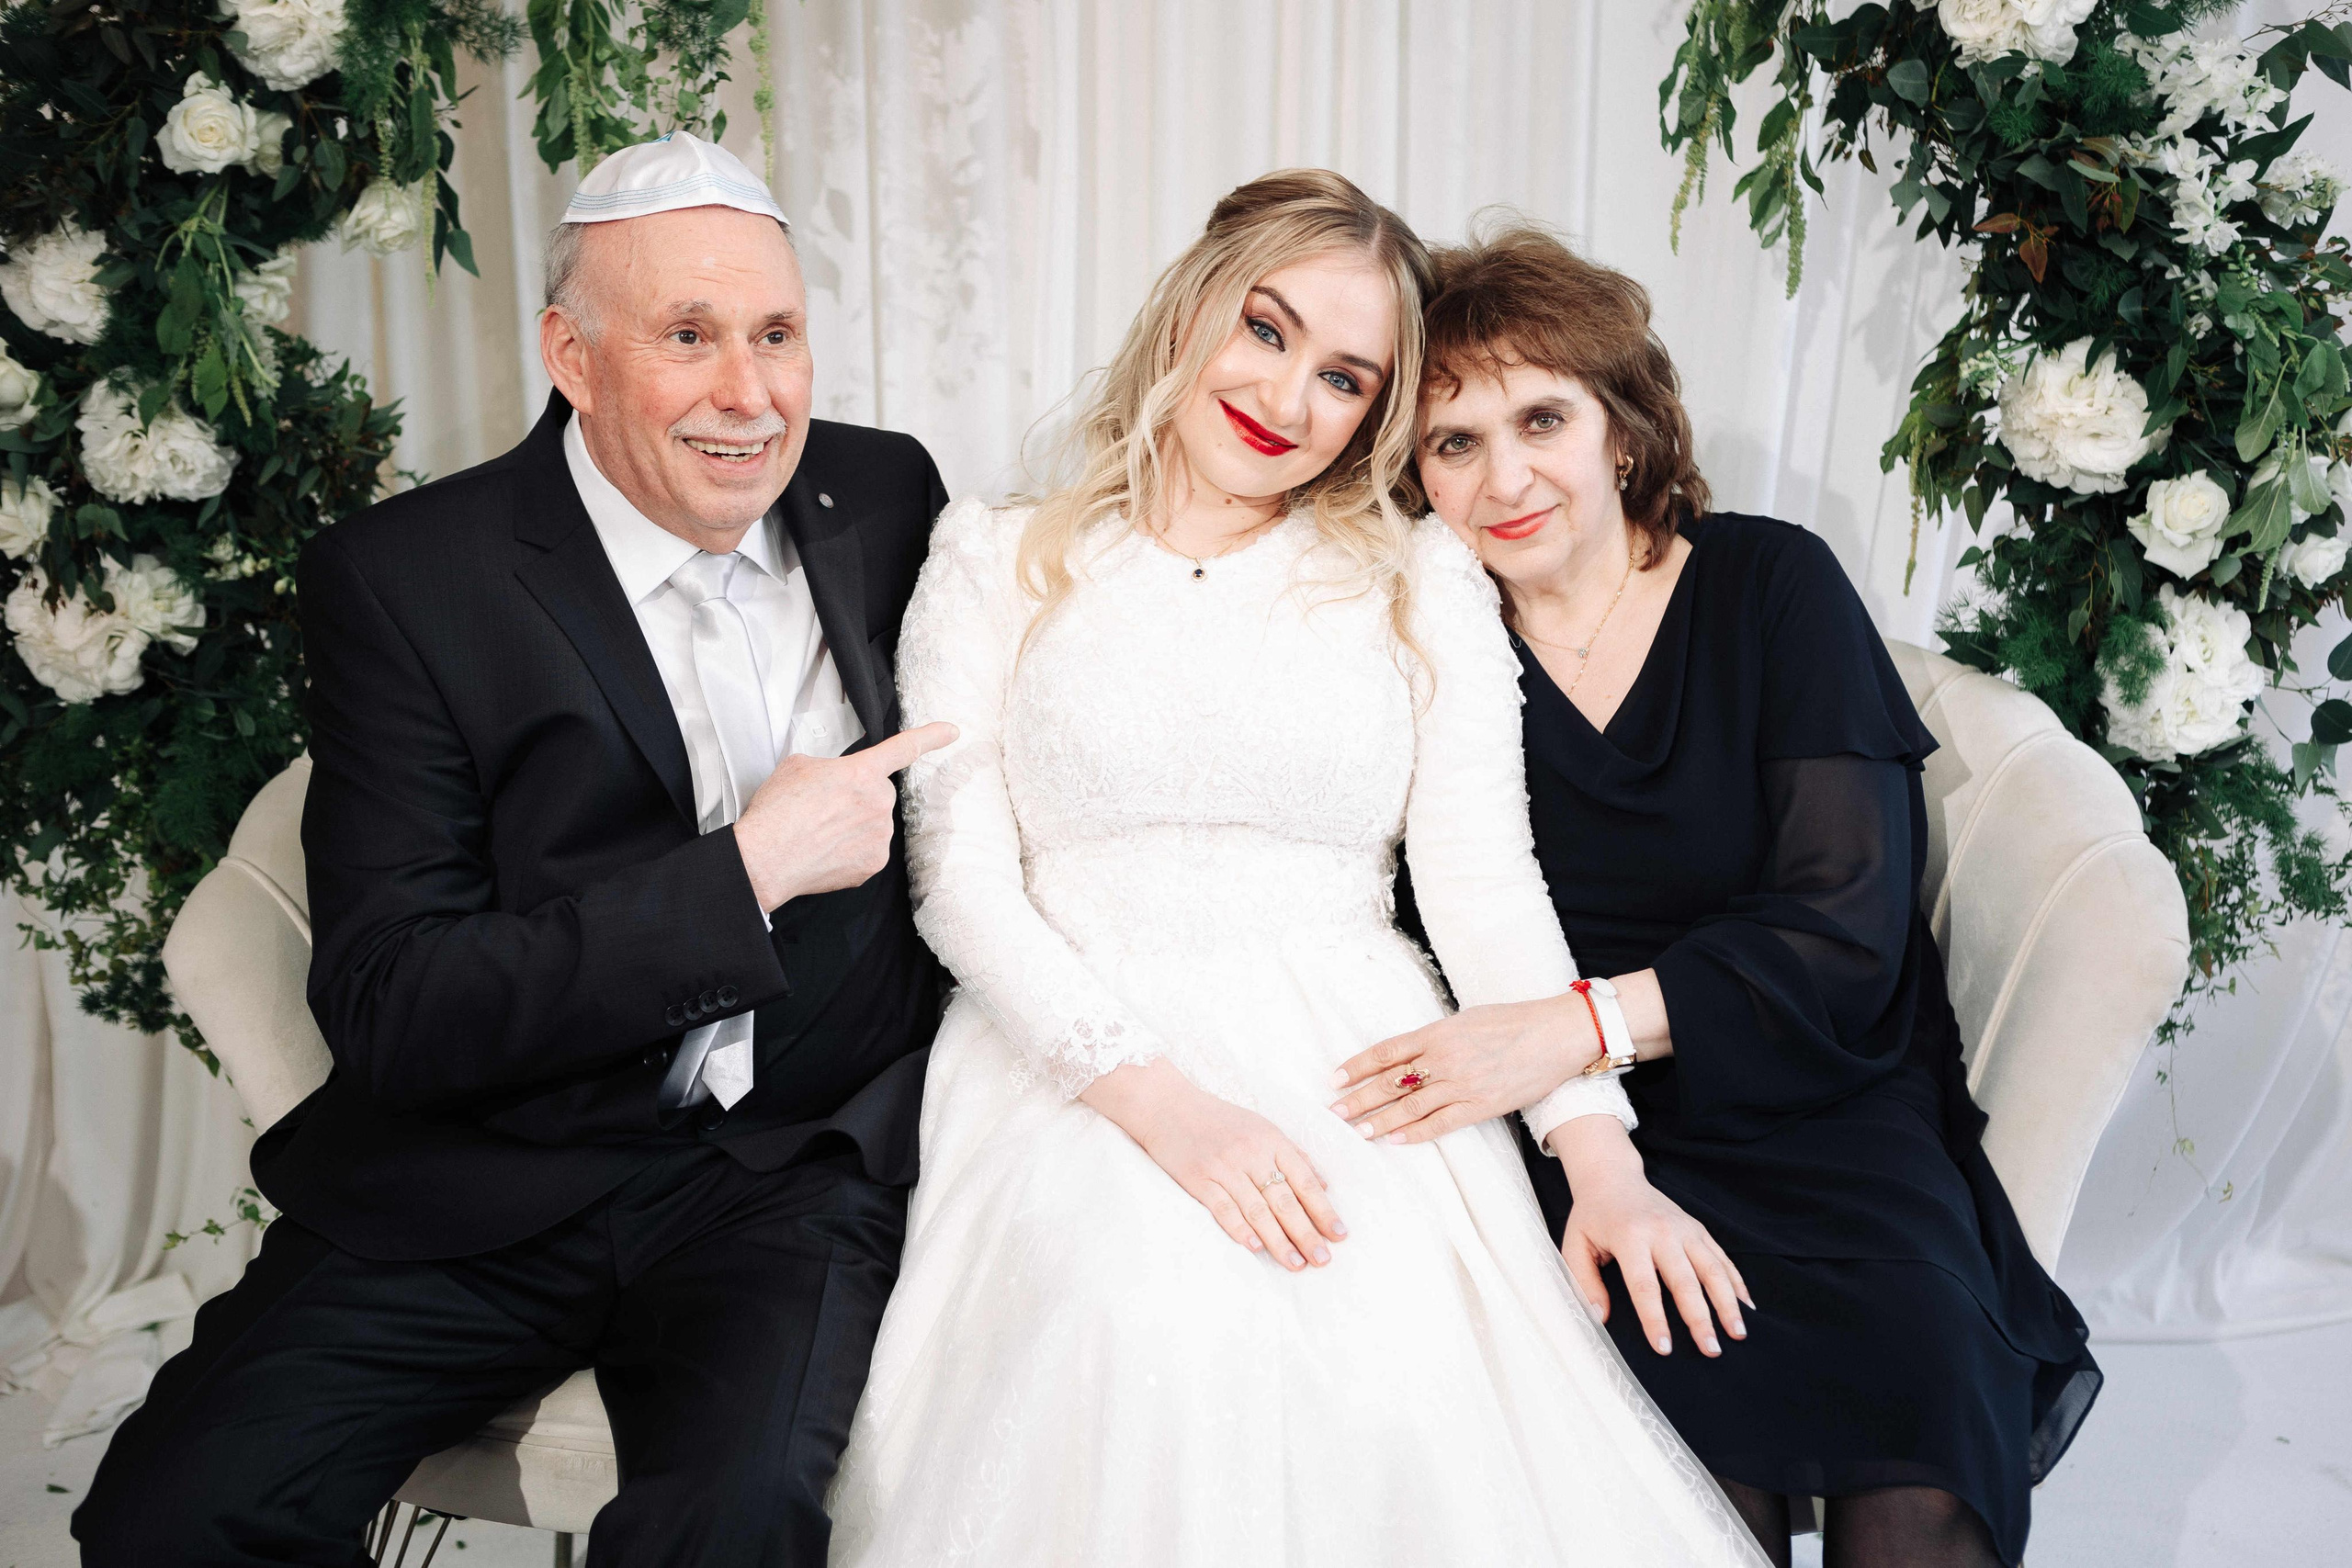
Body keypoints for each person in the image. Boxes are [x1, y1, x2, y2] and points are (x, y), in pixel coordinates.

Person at [823, 170, 1767, 1568]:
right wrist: (1167, 1110)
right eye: (1264, 330)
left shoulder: (1415, 574)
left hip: (1362, 1049)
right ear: (1191, 309)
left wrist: (1598, 1157)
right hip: (1072, 1047)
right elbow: (957, 878)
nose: (1285, 397)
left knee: (1388, 1368)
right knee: (1136, 1316)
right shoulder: (993, 553)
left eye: (1344, 377)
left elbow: (1485, 883)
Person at [74, 132, 956, 1567]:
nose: (751, 395)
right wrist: (744, 875)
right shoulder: (410, 579)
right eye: (688, 336)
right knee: (174, 1516)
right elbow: (392, 1007)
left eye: (779, 335)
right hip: (491, 1168)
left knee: (730, 1528)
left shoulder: (888, 494)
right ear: (574, 353)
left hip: (787, 1176)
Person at [1337, 224, 2100, 1568]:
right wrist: (1567, 1077)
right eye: (1454, 443)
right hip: (1598, 1135)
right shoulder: (1426, 640)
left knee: (1918, 1460)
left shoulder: (1768, 583)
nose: (1504, 475)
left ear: (1621, 431)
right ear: (1414, 475)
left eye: (1542, 417)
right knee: (1677, 1478)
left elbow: (1845, 931)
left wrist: (1575, 1023)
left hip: (1825, 1098)